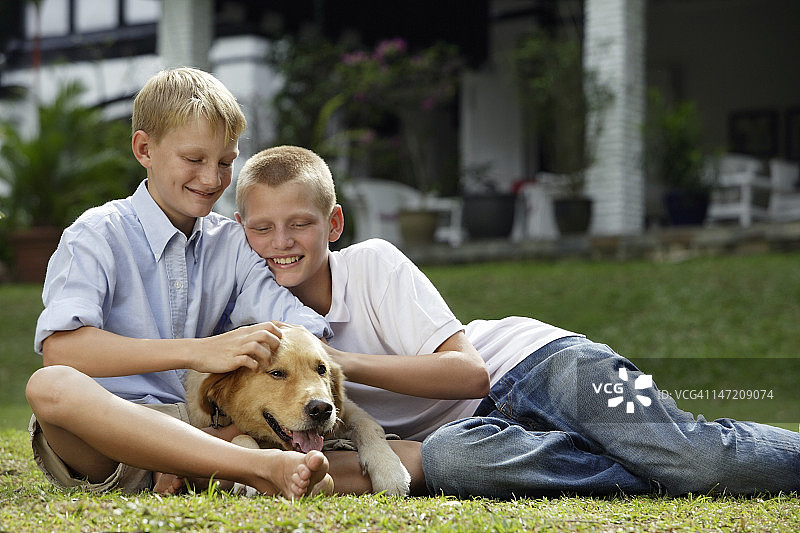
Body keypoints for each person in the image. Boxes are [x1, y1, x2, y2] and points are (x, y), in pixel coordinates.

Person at [234, 144, 800, 499]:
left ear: (333, 223)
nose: (282, 243)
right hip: (474, 435)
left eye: (300, 224)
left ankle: (672, 458)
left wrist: (334, 364)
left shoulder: (372, 262)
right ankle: (651, 464)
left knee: (697, 461)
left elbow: (469, 374)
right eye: (263, 229)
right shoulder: (259, 322)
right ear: (242, 229)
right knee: (453, 462)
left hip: (545, 363)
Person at [24, 68, 333, 499]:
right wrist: (199, 351)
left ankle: (198, 467)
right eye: (194, 160)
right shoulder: (96, 233)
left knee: (310, 444)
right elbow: (61, 350)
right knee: (50, 386)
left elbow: (297, 323)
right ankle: (253, 467)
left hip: (199, 429)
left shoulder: (232, 243)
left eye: (225, 162)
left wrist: (298, 341)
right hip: (106, 437)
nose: (211, 180)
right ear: (144, 149)